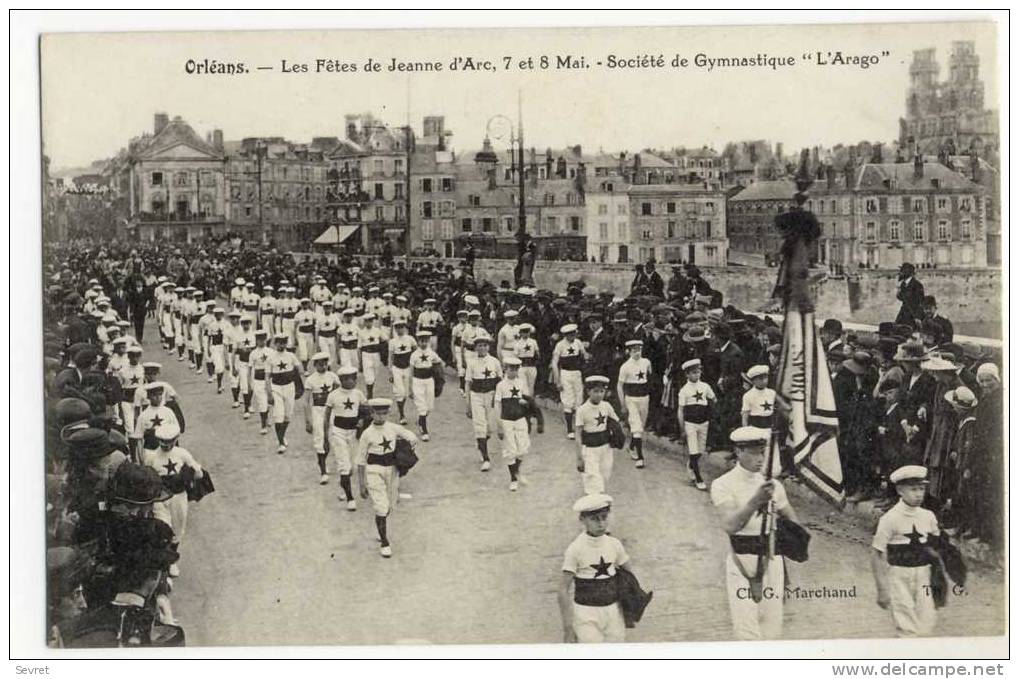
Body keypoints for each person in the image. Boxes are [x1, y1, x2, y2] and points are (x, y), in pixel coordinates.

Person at [710, 426, 798, 640]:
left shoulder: (773, 485)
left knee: (772, 629)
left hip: (772, 560)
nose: (760, 458)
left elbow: (795, 524)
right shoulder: (722, 484)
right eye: (754, 452)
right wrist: (756, 501)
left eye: (763, 452)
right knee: (746, 632)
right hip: (742, 562)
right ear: (738, 451)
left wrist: (786, 533)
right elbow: (730, 525)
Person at [870, 465, 941, 637]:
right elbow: (877, 553)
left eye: (921, 489)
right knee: (906, 627)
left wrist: (938, 577)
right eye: (913, 489)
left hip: (924, 574)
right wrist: (882, 589)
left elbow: (936, 546)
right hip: (899, 576)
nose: (918, 494)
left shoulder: (928, 516)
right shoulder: (890, 519)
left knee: (926, 623)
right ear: (900, 490)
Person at [557, 494, 633, 643]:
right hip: (586, 614)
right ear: (582, 520)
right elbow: (562, 590)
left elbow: (630, 576)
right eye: (594, 519)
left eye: (604, 517)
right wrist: (568, 628)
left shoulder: (614, 544)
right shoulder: (576, 549)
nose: (601, 524)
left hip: (613, 613)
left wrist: (630, 609)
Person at [141, 420, 205, 578]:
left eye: (169, 442)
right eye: (163, 442)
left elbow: (199, 474)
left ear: (175, 440)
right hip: (160, 499)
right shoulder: (152, 457)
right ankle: (166, 563)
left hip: (178, 496)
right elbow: (147, 479)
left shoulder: (182, 454)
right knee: (164, 528)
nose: (166, 445)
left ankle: (171, 560)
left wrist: (188, 474)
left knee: (177, 529)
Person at [356, 398, 418, 558]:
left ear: (388, 413)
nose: (381, 417)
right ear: (372, 413)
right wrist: (362, 484)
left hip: (392, 470)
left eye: (384, 413)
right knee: (381, 506)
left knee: (390, 505)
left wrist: (403, 451)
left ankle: (380, 525)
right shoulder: (367, 434)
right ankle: (384, 541)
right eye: (377, 413)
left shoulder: (393, 428)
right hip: (373, 470)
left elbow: (412, 438)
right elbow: (361, 461)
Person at [323, 366, 367, 510]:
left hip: (354, 433)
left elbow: (367, 411)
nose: (352, 381)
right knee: (344, 465)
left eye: (354, 378)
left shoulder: (358, 394)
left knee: (353, 465)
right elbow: (327, 416)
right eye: (348, 378)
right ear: (341, 380)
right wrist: (325, 437)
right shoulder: (333, 395)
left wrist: (362, 420)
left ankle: (343, 485)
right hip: (338, 433)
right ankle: (350, 498)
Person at [494, 356, 535, 492]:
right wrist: (499, 424)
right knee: (510, 449)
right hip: (506, 420)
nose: (513, 371)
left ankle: (517, 471)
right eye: (511, 369)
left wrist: (526, 404)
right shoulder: (501, 385)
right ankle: (513, 478)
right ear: (505, 369)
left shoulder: (521, 383)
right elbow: (497, 405)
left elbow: (528, 400)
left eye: (516, 369)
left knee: (523, 447)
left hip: (520, 419)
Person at [574, 375, 620, 494]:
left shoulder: (606, 406)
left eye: (602, 391)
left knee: (605, 474)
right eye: (595, 391)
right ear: (588, 391)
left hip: (605, 447)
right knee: (592, 477)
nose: (599, 394)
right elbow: (578, 434)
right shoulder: (582, 410)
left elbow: (616, 422)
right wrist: (579, 457)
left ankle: (597, 497)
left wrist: (616, 436)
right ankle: (594, 501)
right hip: (589, 448)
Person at [677, 358, 716, 490]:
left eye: (698, 372)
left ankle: (691, 465)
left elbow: (713, 398)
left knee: (700, 451)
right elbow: (680, 410)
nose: (696, 375)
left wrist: (710, 409)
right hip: (690, 424)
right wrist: (682, 428)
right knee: (693, 451)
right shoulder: (684, 390)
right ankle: (698, 478)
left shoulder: (705, 387)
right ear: (687, 374)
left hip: (704, 423)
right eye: (693, 372)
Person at [465, 332, 502, 472]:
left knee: (490, 427)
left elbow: (499, 381)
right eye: (479, 346)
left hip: (491, 395)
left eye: (485, 345)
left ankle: (481, 444)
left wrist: (497, 398)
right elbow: (468, 384)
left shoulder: (494, 362)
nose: (482, 348)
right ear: (475, 348)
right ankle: (486, 458)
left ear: (488, 347)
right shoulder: (472, 363)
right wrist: (468, 403)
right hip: (476, 396)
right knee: (479, 425)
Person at [304, 352, 340, 485]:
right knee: (319, 438)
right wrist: (308, 419)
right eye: (320, 364)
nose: (323, 366)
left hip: (331, 410)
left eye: (325, 363)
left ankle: (329, 463)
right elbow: (306, 401)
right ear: (315, 365)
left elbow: (338, 392)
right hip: (318, 411)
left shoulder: (332, 376)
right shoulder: (311, 380)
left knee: (332, 437)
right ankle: (323, 470)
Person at [617, 339, 652, 469]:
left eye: (639, 349)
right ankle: (640, 457)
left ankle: (632, 446)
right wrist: (622, 403)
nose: (637, 352)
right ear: (629, 351)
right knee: (636, 427)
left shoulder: (646, 362)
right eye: (634, 350)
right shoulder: (625, 367)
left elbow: (649, 376)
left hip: (644, 398)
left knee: (640, 427)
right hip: (631, 399)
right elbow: (619, 386)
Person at [552, 323, 588, 440]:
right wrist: (557, 381)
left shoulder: (578, 343)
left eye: (573, 334)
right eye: (569, 335)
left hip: (577, 373)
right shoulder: (560, 345)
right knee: (568, 401)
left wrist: (586, 356)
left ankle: (579, 428)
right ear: (565, 335)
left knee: (579, 401)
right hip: (565, 374)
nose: (572, 336)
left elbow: (584, 355)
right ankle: (569, 429)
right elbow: (554, 363)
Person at [267, 332, 301, 454]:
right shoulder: (271, 357)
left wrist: (298, 385)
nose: (282, 344)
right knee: (278, 415)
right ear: (275, 343)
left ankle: (282, 435)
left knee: (288, 416)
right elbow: (267, 377)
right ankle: (280, 442)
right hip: (276, 387)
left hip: (289, 387)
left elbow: (299, 370)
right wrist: (269, 392)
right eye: (279, 342)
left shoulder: (291, 356)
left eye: (284, 342)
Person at [409, 331, 443, 441]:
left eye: (426, 341)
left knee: (429, 406)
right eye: (421, 341)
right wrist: (410, 388)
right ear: (418, 342)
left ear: (429, 341)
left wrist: (438, 376)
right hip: (418, 381)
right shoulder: (414, 355)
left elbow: (439, 363)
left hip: (429, 381)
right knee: (422, 406)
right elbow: (411, 372)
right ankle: (424, 430)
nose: (423, 343)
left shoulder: (431, 353)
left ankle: (420, 419)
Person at [387, 320, 416, 424]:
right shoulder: (393, 341)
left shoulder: (410, 339)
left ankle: (402, 410)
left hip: (408, 368)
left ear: (405, 327)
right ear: (395, 329)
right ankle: (402, 414)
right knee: (400, 392)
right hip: (397, 369)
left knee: (406, 393)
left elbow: (416, 352)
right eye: (397, 327)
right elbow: (390, 357)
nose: (400, 329)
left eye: (401, 327)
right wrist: (390, 372)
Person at [248, 329, 273, 434]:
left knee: (269, 402)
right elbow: (249, 369)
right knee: (262, 402)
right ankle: (263, 425)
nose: (262, 341)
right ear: (256, 341)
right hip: (258, 380)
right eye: (259, 339)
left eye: (263, 339)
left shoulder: (271, 352)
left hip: (270, 380)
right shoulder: (253, 353)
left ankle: (267, 418)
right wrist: (250, 382)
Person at [358, 313, 386, 400]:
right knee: (368, 376)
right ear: (364, 322)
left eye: (370, 321)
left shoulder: (377, 331)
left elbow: (385, 340)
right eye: (367, 321)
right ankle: (369, 393)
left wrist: (383, 353)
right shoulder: (361, 332)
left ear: (373, 321)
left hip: (376, 354)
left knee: (374, 374)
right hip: (366, 354)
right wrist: (360, 362)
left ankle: (371, 389)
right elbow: (359, 348)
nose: (369, 323)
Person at [895, 263, 925, 328]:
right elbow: (903, 298)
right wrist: (898, 294)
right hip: (903, 314)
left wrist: (918, 317)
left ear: (908, 272)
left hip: (912, 315)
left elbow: (921, 302)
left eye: (902, 271)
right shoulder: (903, 284)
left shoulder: (917, 285)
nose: (900, 273)